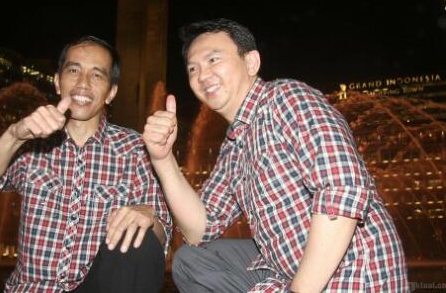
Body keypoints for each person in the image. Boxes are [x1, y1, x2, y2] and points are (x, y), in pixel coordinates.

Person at [143, 19, 408, 292]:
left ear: (251, 62)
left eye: (213, 59)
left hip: (353, 276)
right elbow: (200, 229)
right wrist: (163, 159)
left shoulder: (287, 99)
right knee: (192, 262)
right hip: (288, 272)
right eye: (193, 68)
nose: (202, 75)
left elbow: (343, 190)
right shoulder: (235, 145)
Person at [0, 36, 171, 293]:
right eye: (74, 70)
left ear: (111, 92)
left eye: (97, 75)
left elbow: (161, 235)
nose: (83, 83)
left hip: (97, 286)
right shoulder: (30, 138)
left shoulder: (134, 148)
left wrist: (147, 215)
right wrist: (14, 135)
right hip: (33, 288)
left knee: (139, 238)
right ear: (57, 81)